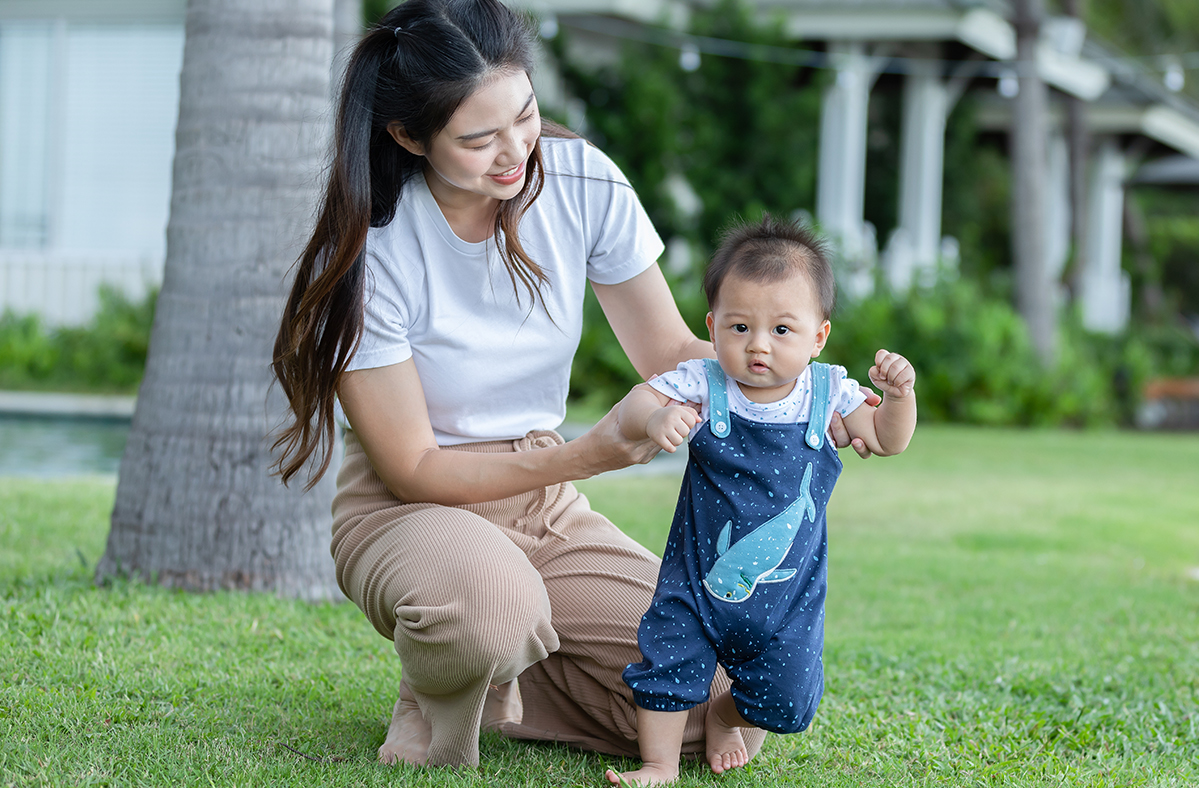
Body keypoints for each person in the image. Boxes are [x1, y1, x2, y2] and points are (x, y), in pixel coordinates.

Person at [270, 0, 873, 769]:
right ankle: (450, 679)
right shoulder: (374, 250)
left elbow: (668, 350)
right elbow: (413, 467)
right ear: (407, 136)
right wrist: (592, 454)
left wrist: (805, 393)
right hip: (409, 507)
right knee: (490, 607)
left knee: (718, 685)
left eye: (524, 114)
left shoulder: (581, 179)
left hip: (542, 506)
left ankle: (497, 672)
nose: (515, 150)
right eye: (478, 138)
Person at [605, 217, 917, 786]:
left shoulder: (829, 395)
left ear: (818, 337)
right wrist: (655, 416)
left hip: (786, 599)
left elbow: (887, 439)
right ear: (713, 325)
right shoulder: (702, 381)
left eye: (781, 330)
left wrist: (899, 397)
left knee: (788, 696)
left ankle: (726, 716)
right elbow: (634, 403)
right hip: (697, 582)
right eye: (740, 326)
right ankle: (659, 764)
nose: (758, 346)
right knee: (667, 664)